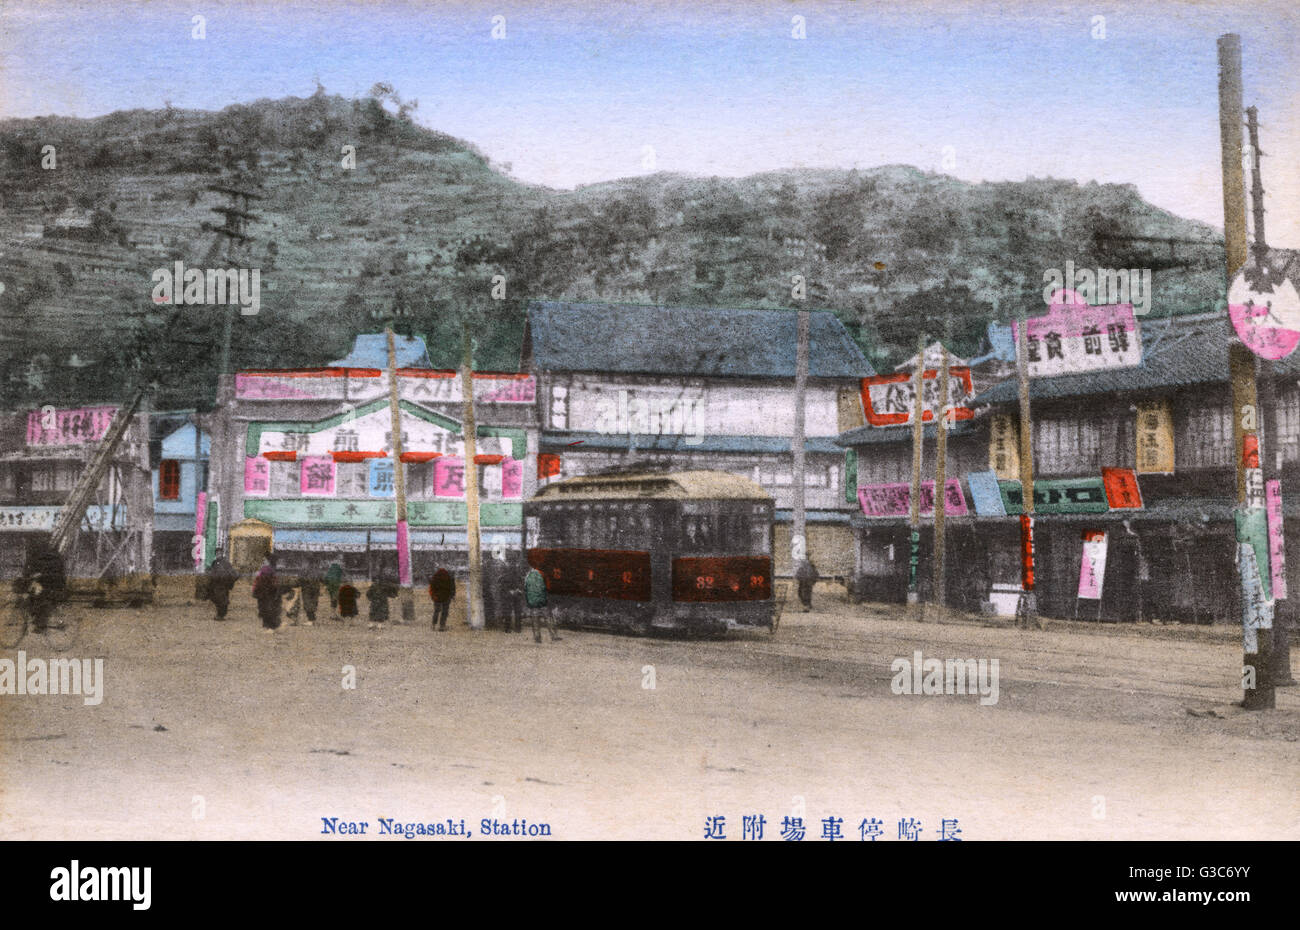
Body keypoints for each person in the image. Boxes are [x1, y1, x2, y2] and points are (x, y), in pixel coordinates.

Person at [19, 536, 66, 634]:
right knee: (32, 595)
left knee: (41, 598)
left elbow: (55, 571)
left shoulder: (50, 556)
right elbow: (29, 569)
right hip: (45, 582)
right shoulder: (36, 555)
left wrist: (40, 575)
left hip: (54, 584)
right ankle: (36, 619)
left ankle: (41, 624)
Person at [525, 564, 560, 644]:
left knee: (535, 620)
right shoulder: (543, 574)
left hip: (533, 602)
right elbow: (548, 587)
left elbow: (525, 589)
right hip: (542, 601)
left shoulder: (528, 576)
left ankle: (537, 638)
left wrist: (528, 601)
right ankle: (554, 636)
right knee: (548, 618)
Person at [251, 552, 282, 632]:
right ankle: (270, 627)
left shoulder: (266, 569)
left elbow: (260, 581)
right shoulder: (272, 568)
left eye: (265, 559)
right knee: (271, 609)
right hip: (271, 593)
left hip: (265, 593)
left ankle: (270, 627)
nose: (263, 560)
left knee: (267, 609)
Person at [205, 548, 238, 621]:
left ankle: (221, 615)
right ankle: (220, 614)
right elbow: (212, 572)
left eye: (219, 553)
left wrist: (229, 581)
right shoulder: (214, 563)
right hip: (215, 585)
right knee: (217, 600)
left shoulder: (226, 563)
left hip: (223, 586)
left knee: (222, 601)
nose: (218, 555)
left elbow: (233, 573)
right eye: (217, 554)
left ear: (222, 554)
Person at [429, 566, 455, 631]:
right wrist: (452, 595)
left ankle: (433, 625)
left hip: (437, 597)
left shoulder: (435, 577)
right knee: (445, 612)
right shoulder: (449, 577)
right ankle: (442, 625)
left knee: (436, 611)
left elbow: (432, 588)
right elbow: (452, 588)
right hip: (446, 597)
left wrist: (433, 596)